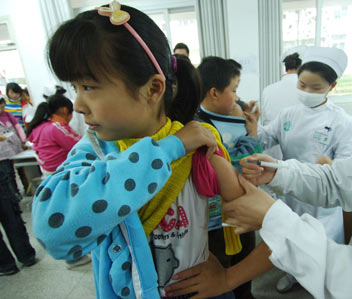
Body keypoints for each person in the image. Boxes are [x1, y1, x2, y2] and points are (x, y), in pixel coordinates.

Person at [165, 0, 352, 298]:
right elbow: (338, 180)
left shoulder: (342, 121)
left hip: (320, 232)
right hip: (304, 214)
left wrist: (274, 219)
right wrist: (276, 171)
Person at [31, 2, 240, 298]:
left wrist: (226, 276)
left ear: (154, 89)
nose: (77, 104)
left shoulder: (196, 140)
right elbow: (52, 230)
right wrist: (168, 150)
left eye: (88, 87)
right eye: (74, 88)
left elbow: (238, 212)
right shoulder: (95, 152)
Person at [257, 46, 352, 292]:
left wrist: (332, 166)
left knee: (320, 247)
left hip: (321, 200)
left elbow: (349, 169)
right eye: (302, 85)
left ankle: (322, 283)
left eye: (315, 88)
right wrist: (253, 127)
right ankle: (292, 275)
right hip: (290, 189)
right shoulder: (288, 114)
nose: (306, 91)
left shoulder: (342, 122)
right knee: (292, 238)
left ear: (331, 87)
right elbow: (267, 140)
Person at [196, 56, 260, 299]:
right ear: (214, 92)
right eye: (233, 90)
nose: (237, 97)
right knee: (224, 267)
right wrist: (252, 135)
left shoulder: (231, 113)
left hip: (240, 209)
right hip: (216, 220)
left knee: (245, 262)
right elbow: (237, 166)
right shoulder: (201, 128)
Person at [0, 99, 37, 276]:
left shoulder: (7, 115)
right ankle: (25, 256)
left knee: (10, 214)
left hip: (4, 163)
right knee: (10, 214)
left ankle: (8, 264)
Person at [260, 49, 304, 159]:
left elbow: (265, 119)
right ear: (302, 67)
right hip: (297, 147)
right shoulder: (305, 90)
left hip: (270, 148)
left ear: (286, 67)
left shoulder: (268, 90)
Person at [27, 91, 81, 177]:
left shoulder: (39, 126)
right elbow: (77, 145)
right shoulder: (56, 127)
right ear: (65, 110)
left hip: (47, 170)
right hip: (61, 170)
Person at [0, 97, 27, 198]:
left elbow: (18, 127)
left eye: (3, 107)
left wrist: (23, 140)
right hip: (2, 152)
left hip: (15, 147)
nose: (1, 109)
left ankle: (27, 189)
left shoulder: (7, 114)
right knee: (8, 173)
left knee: (22, 169)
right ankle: (14, 194)